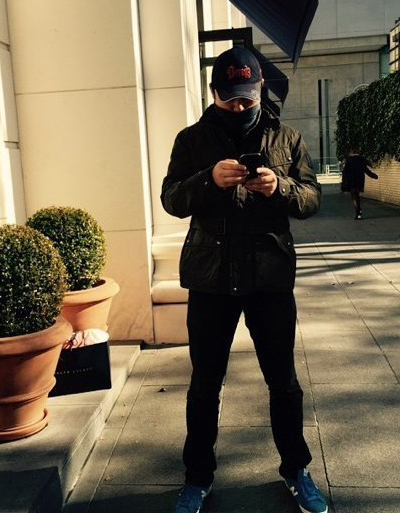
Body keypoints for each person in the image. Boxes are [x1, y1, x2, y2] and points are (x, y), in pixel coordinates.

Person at [161, 47, 327, 513]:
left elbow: (312, 198)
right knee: (204, 383)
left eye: (247, 98)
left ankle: (296, 470)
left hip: (269, 275)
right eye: (230, 98)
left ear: (260, 89)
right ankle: (197, 478)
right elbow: (171, 199)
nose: (239, 106)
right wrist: (208, 179)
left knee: (284, 382)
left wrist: (281, 187)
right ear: (214, 92)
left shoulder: (287, 137)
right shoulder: (191, 139)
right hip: (210, 277)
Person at [340, 147, 378, 219]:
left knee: (353, 196)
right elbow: (366, 170)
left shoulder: (349, 160)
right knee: (357, 195)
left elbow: (345, 172)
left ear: (351, 152)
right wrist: (373, 176)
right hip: (359, 180)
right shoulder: (361, 159)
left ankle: (358, 212)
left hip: (351, 181)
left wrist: (343, 182)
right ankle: (359, 211)